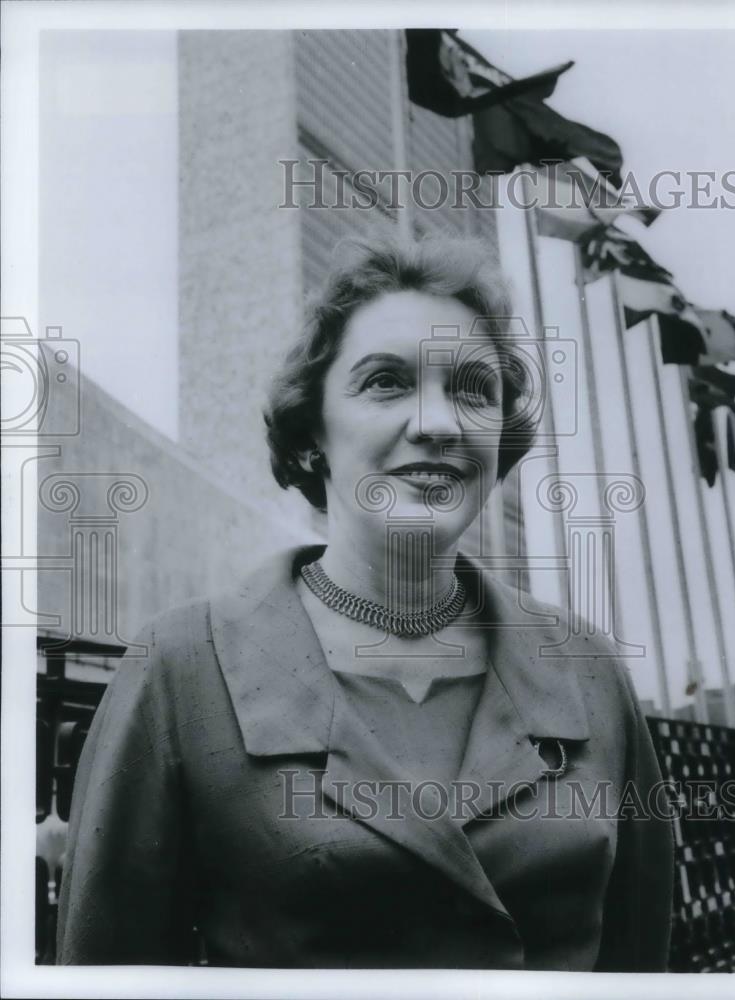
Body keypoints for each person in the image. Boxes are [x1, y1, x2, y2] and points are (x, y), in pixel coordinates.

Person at [56, 232, 674, 970]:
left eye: (474, 389)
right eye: (386, 381)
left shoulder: (591, 674)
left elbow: (640, 968)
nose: (438, 422)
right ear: (313, 430)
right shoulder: (180, 668)